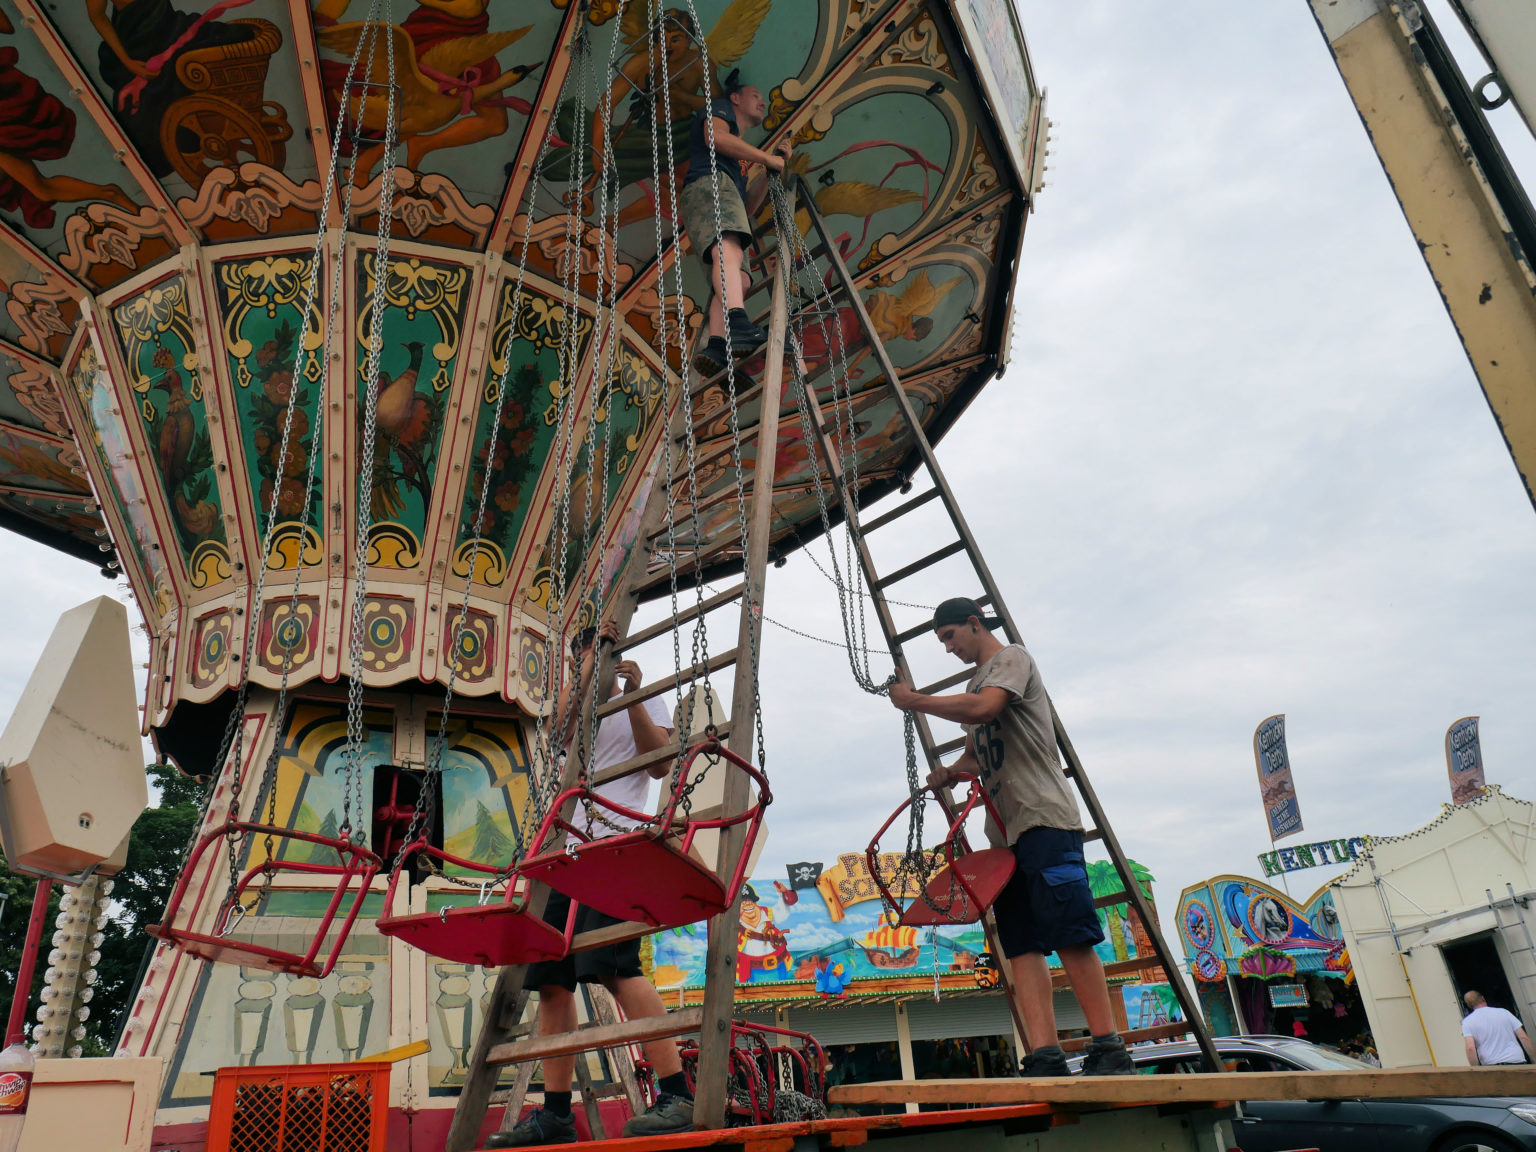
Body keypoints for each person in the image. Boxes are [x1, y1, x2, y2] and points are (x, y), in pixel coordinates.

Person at [887, 597, 1135, 1078]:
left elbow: (987, 709)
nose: (948, 647)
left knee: (1070, 931)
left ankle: (1109, 1045)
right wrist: (951, 774)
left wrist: (916, 700)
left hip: (1043, 818)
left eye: (950, 636)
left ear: (975, 624)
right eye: (942, 640)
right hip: (1003, 837)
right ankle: (1044, 1053)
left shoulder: (1011, 659)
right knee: (1020, 944)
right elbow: (976, 756)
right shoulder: (975, 682)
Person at [493, 620, 693, 1145]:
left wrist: (633, 696)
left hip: (615, 845)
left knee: (615, 967)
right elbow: (556, 733)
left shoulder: (648, 698)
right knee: (551, 981)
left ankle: (677, 1092)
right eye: (587, 654)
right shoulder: (577, 703)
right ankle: (557, 1112)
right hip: (568, 850)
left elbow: (660, 763)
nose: (595, 661)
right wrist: (584, 674)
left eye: (603, 653)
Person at [679, 69, 791, 377]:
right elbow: (715, 137)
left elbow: (748, 208)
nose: (762, 103)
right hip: (710, 185)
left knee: (739, 280)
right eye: (756, 96)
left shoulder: (739, 161)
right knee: (728, 249)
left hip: (724, 193)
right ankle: (738, 322)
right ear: (736, 98)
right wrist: (766, 159)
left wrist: (771, 173)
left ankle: (716, 345)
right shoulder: (720, 110)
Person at [1462, 991, 1534, 1066]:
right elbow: (1524, 1038)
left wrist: (1475, 1070)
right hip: (1516, 1061)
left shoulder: (1468, 1021)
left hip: (1492, 1066)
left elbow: (1470, 1048)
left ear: (1469, 1005)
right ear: (1483, 998)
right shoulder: (1504, 1012)